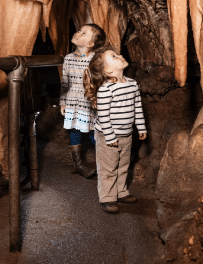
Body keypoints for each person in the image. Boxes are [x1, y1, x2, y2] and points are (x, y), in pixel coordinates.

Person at [84, 47, 147, 213]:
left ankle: (121, 192)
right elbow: (103, 116)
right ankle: (107, 197)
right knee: (108, 168)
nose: (120, 55)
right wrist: (110, 137)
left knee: (123, 165)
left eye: (117, 54)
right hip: (107, 136)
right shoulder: (106, 90)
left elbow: (137, 107)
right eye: (113, 56)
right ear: (108, 69)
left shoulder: (132, 84)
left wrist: (141, 126)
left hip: (127, 134)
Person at [60, 24, 107, 178]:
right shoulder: (68, 58)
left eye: (84, 33)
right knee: (75, 131)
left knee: (95, 131)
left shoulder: (95, 60)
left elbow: (101, 81)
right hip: (73, 100)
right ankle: (79, 165)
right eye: (79, 30)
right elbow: (65, 82)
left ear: (90, 44)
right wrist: (63, 101)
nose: (78, 32)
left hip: (90, 101)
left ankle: (106, 165)